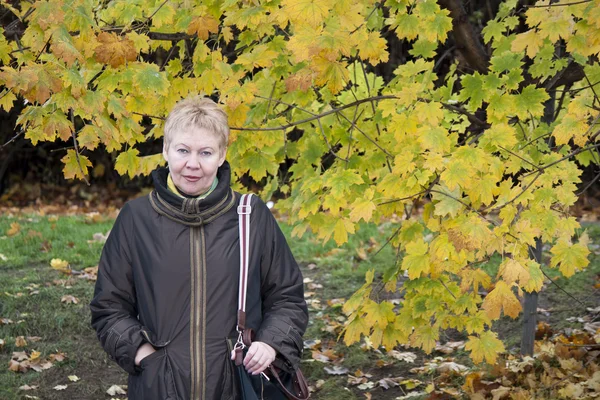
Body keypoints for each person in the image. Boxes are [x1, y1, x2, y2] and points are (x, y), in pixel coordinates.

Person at [90, 97, 308, 400]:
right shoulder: (135, 219)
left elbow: (287, 299)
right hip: (159, 389)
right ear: (166, 150)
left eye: (206, 152)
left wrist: (270, 343)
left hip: (236, 386)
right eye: (183, 150)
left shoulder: (251, 216)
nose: (193, 164)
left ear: (222, 155)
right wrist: (144, 356)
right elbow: (108, 308)